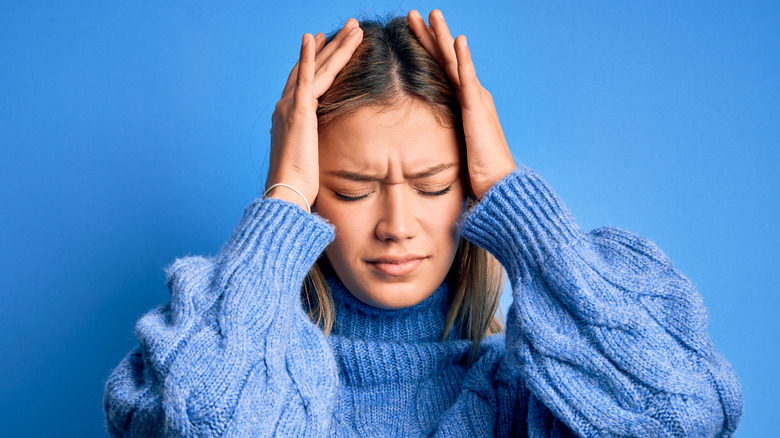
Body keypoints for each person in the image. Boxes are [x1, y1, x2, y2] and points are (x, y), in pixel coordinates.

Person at [103, 9, 743, 437]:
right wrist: (282, 199)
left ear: (467, 194)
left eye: (433, 186)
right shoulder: (201, 364)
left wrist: (522, 211)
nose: (396, 225)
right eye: (353, 192)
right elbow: (212, 421)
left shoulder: (526, 398)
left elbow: (687, 414)